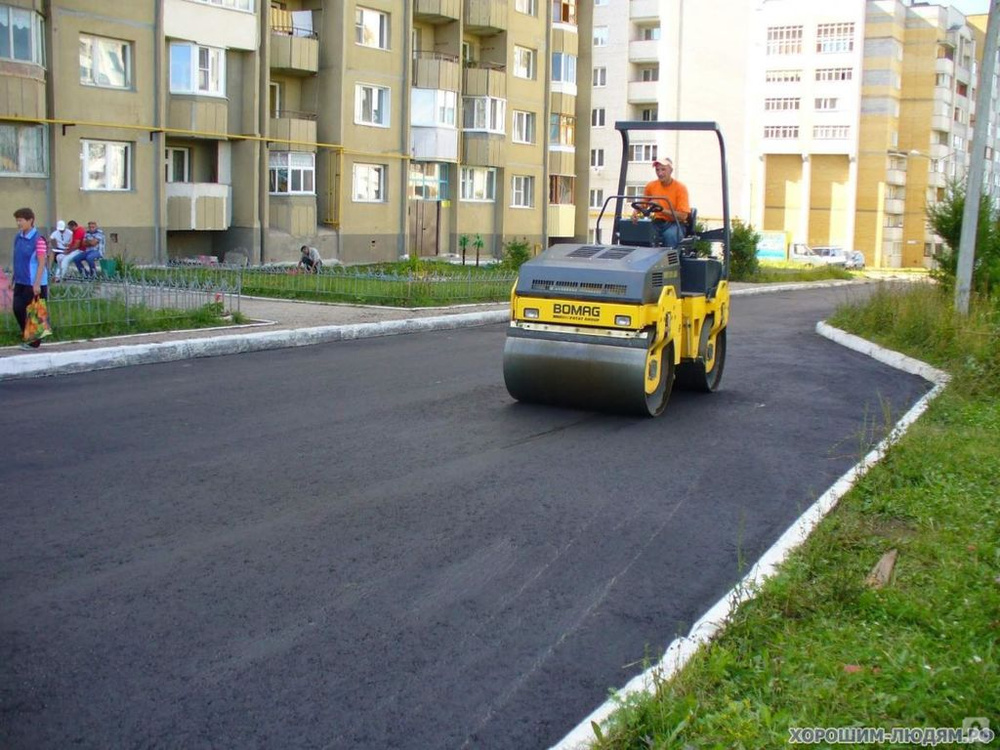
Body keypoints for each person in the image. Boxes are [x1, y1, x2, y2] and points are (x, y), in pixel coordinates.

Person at [9, 207, 49, 350]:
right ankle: (28, 336)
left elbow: (41, 262)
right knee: (18, 308)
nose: (18, 223)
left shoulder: (38, 240)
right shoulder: (18, 237)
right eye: (17, 220)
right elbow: (17, 259)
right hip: (21, 280)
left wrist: (37, 283)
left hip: (34, 282)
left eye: (21, 220)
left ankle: (34, 342)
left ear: (30, 220)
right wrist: (13, 278)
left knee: (35, 312)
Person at [634, 158, 691, 248]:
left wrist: (662, 210)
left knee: (670, 235)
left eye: (663, 169)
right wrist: (636, 212)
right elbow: (643, 203)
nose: (660, 173)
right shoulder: (651, 186)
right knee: (640, 233)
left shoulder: (680, 188)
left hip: (675, 224)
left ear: (670, 170)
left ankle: (671, 260)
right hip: (657, 223)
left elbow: (683, 216)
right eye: (657, 170)